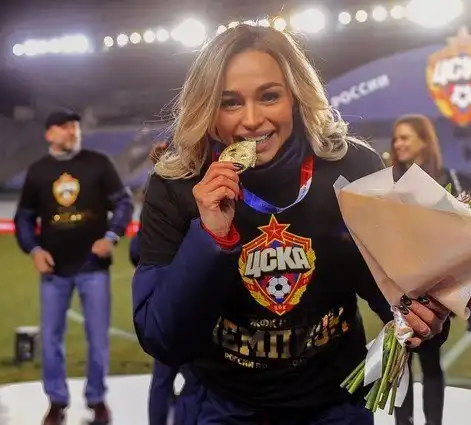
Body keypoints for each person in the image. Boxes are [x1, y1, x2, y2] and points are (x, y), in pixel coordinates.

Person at [132, 24, 450, 425]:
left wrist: (424, 316)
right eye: (230, 102)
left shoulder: (352, 166)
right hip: (223, 407)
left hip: (334, 407)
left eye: (269, 96)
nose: (252, 119)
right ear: (207, 110)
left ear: (296, 97)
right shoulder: (178, 182)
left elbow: (395, 298)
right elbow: (163, 339)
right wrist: (210, 236)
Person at [14, 109, 134, 425]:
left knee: (98, 337)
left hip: (93, 267)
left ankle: (97, 398)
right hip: (54, 270)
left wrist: (111, 236)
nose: (72, 132)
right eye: (65, 127)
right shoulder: (38, 171)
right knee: (51, 338)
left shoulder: (98, 164)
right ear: (49, 134)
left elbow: (123, 202)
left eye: (75, 127)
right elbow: (24, 216)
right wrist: (34, 249)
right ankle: (56, 401)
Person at [390, 114, 469, 425]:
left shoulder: (446, 178)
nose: (397, 144)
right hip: (398, 287)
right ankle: (403, 421)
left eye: (405, 137)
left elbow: (464, 232)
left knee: (431, 360)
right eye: (395, 138)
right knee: (400, 362)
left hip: (435, 290)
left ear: (424, 141)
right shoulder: (391, 183)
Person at [129, 140, 183, 425]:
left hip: (164, 300)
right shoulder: (204, 191)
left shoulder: (156, 190)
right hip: (192, 299)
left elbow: (136, 251)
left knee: (163, 377)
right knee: (200, 383)